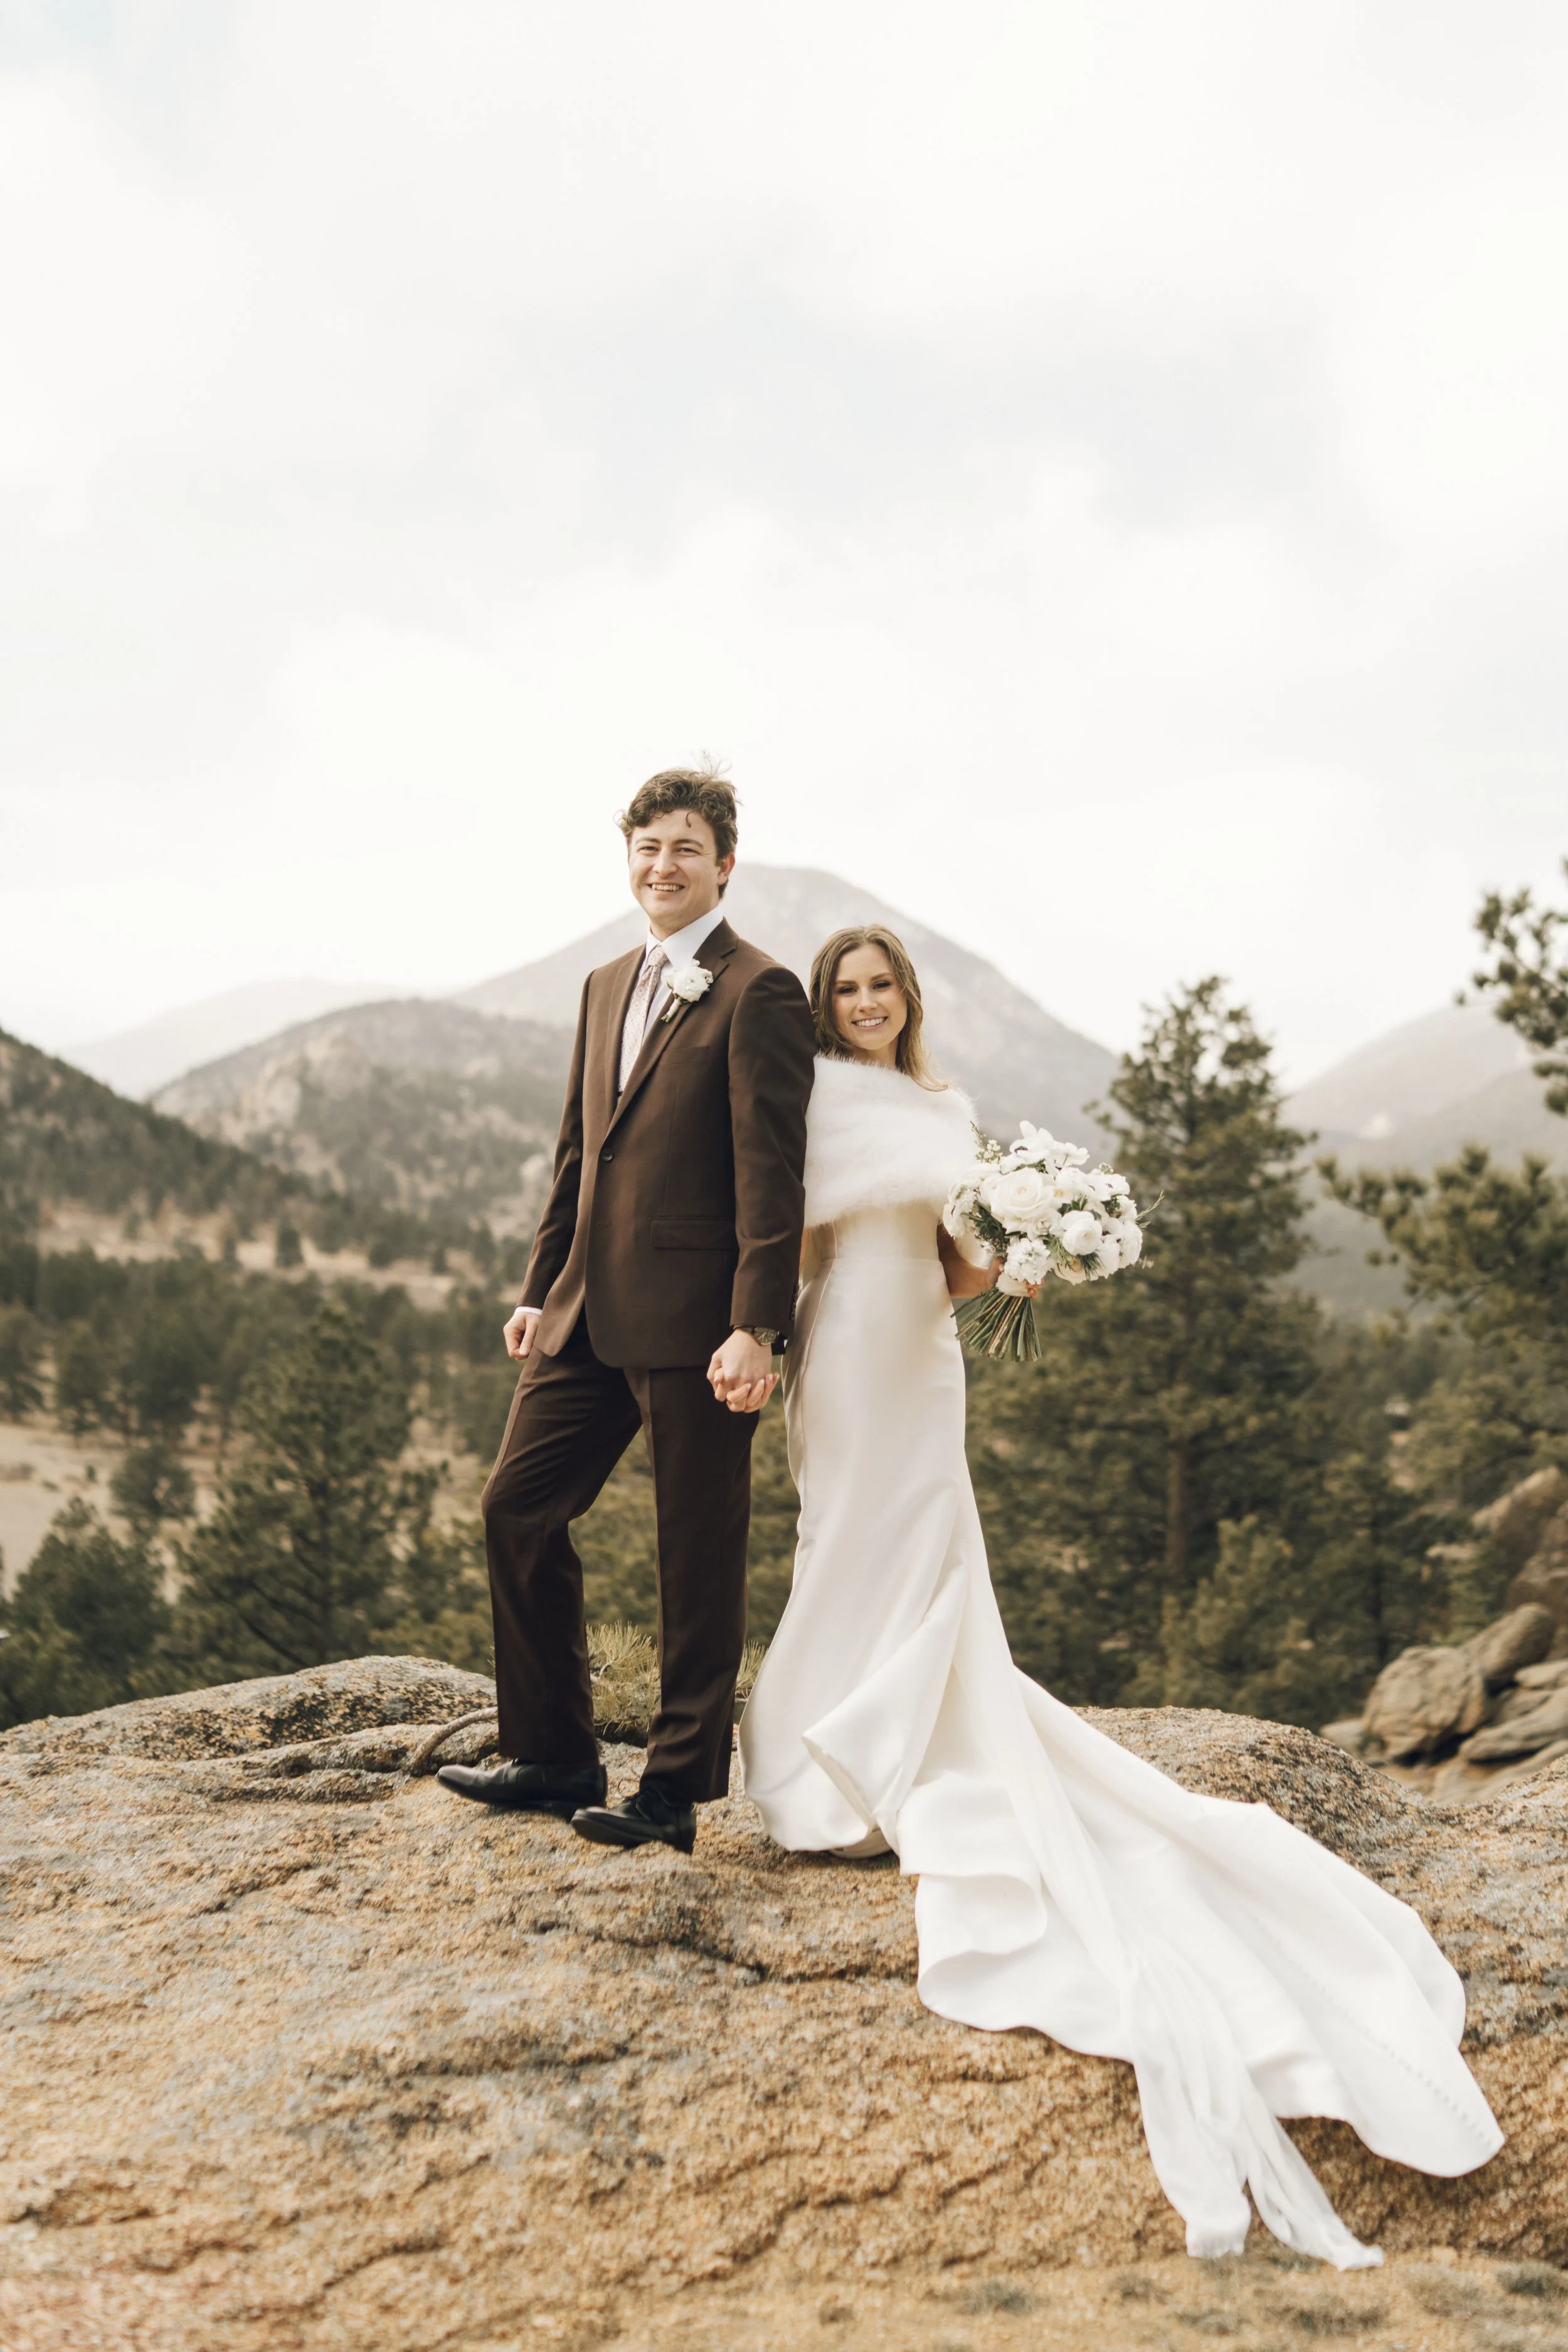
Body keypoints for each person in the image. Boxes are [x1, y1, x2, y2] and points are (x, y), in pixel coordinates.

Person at [738, 924, 1503, 2269]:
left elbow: (954, 1265)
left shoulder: (941, 1108)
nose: (863, 1006)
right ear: (825, 1009)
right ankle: (825, 1750)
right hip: (847, 1342)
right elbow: (798, 1251)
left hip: (923, 1348)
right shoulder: (819, 1103)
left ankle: (897, 1749)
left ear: (904, 1002)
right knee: (841, 1538)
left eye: (880, 989)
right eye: (844, 991)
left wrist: (1020, 1254)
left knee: (923, 1540)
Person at [438, 768, 814, 1855]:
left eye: (686, 847)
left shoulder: (759, 989)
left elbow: (770, 1175)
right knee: (517, 1507)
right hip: (585, 1314)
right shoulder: (605, 982)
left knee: (693, 1551)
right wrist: (538, 1284)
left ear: (725, 863)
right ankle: (553, 1750)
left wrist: (759, 1323)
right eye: (648, 846)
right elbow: (579, 1152)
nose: (664, 864)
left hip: (704, 1326)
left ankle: (677, 1788)